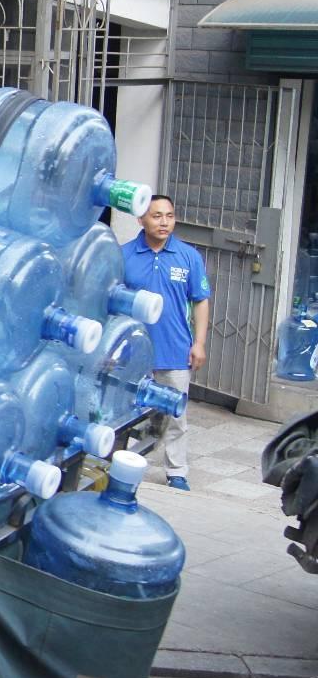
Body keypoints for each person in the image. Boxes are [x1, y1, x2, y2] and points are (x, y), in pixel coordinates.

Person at [123, 194, 211, 491]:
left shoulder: (189, 257)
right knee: (129, 413)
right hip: (134, 353)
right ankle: (125, 465)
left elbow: (200, 301)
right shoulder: (123, 256)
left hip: (175, 350)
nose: (164, 222)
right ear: (141, 220)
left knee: (176, 415)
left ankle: (176, 471)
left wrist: (198, 342)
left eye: (169, 216)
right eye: (157, 216)